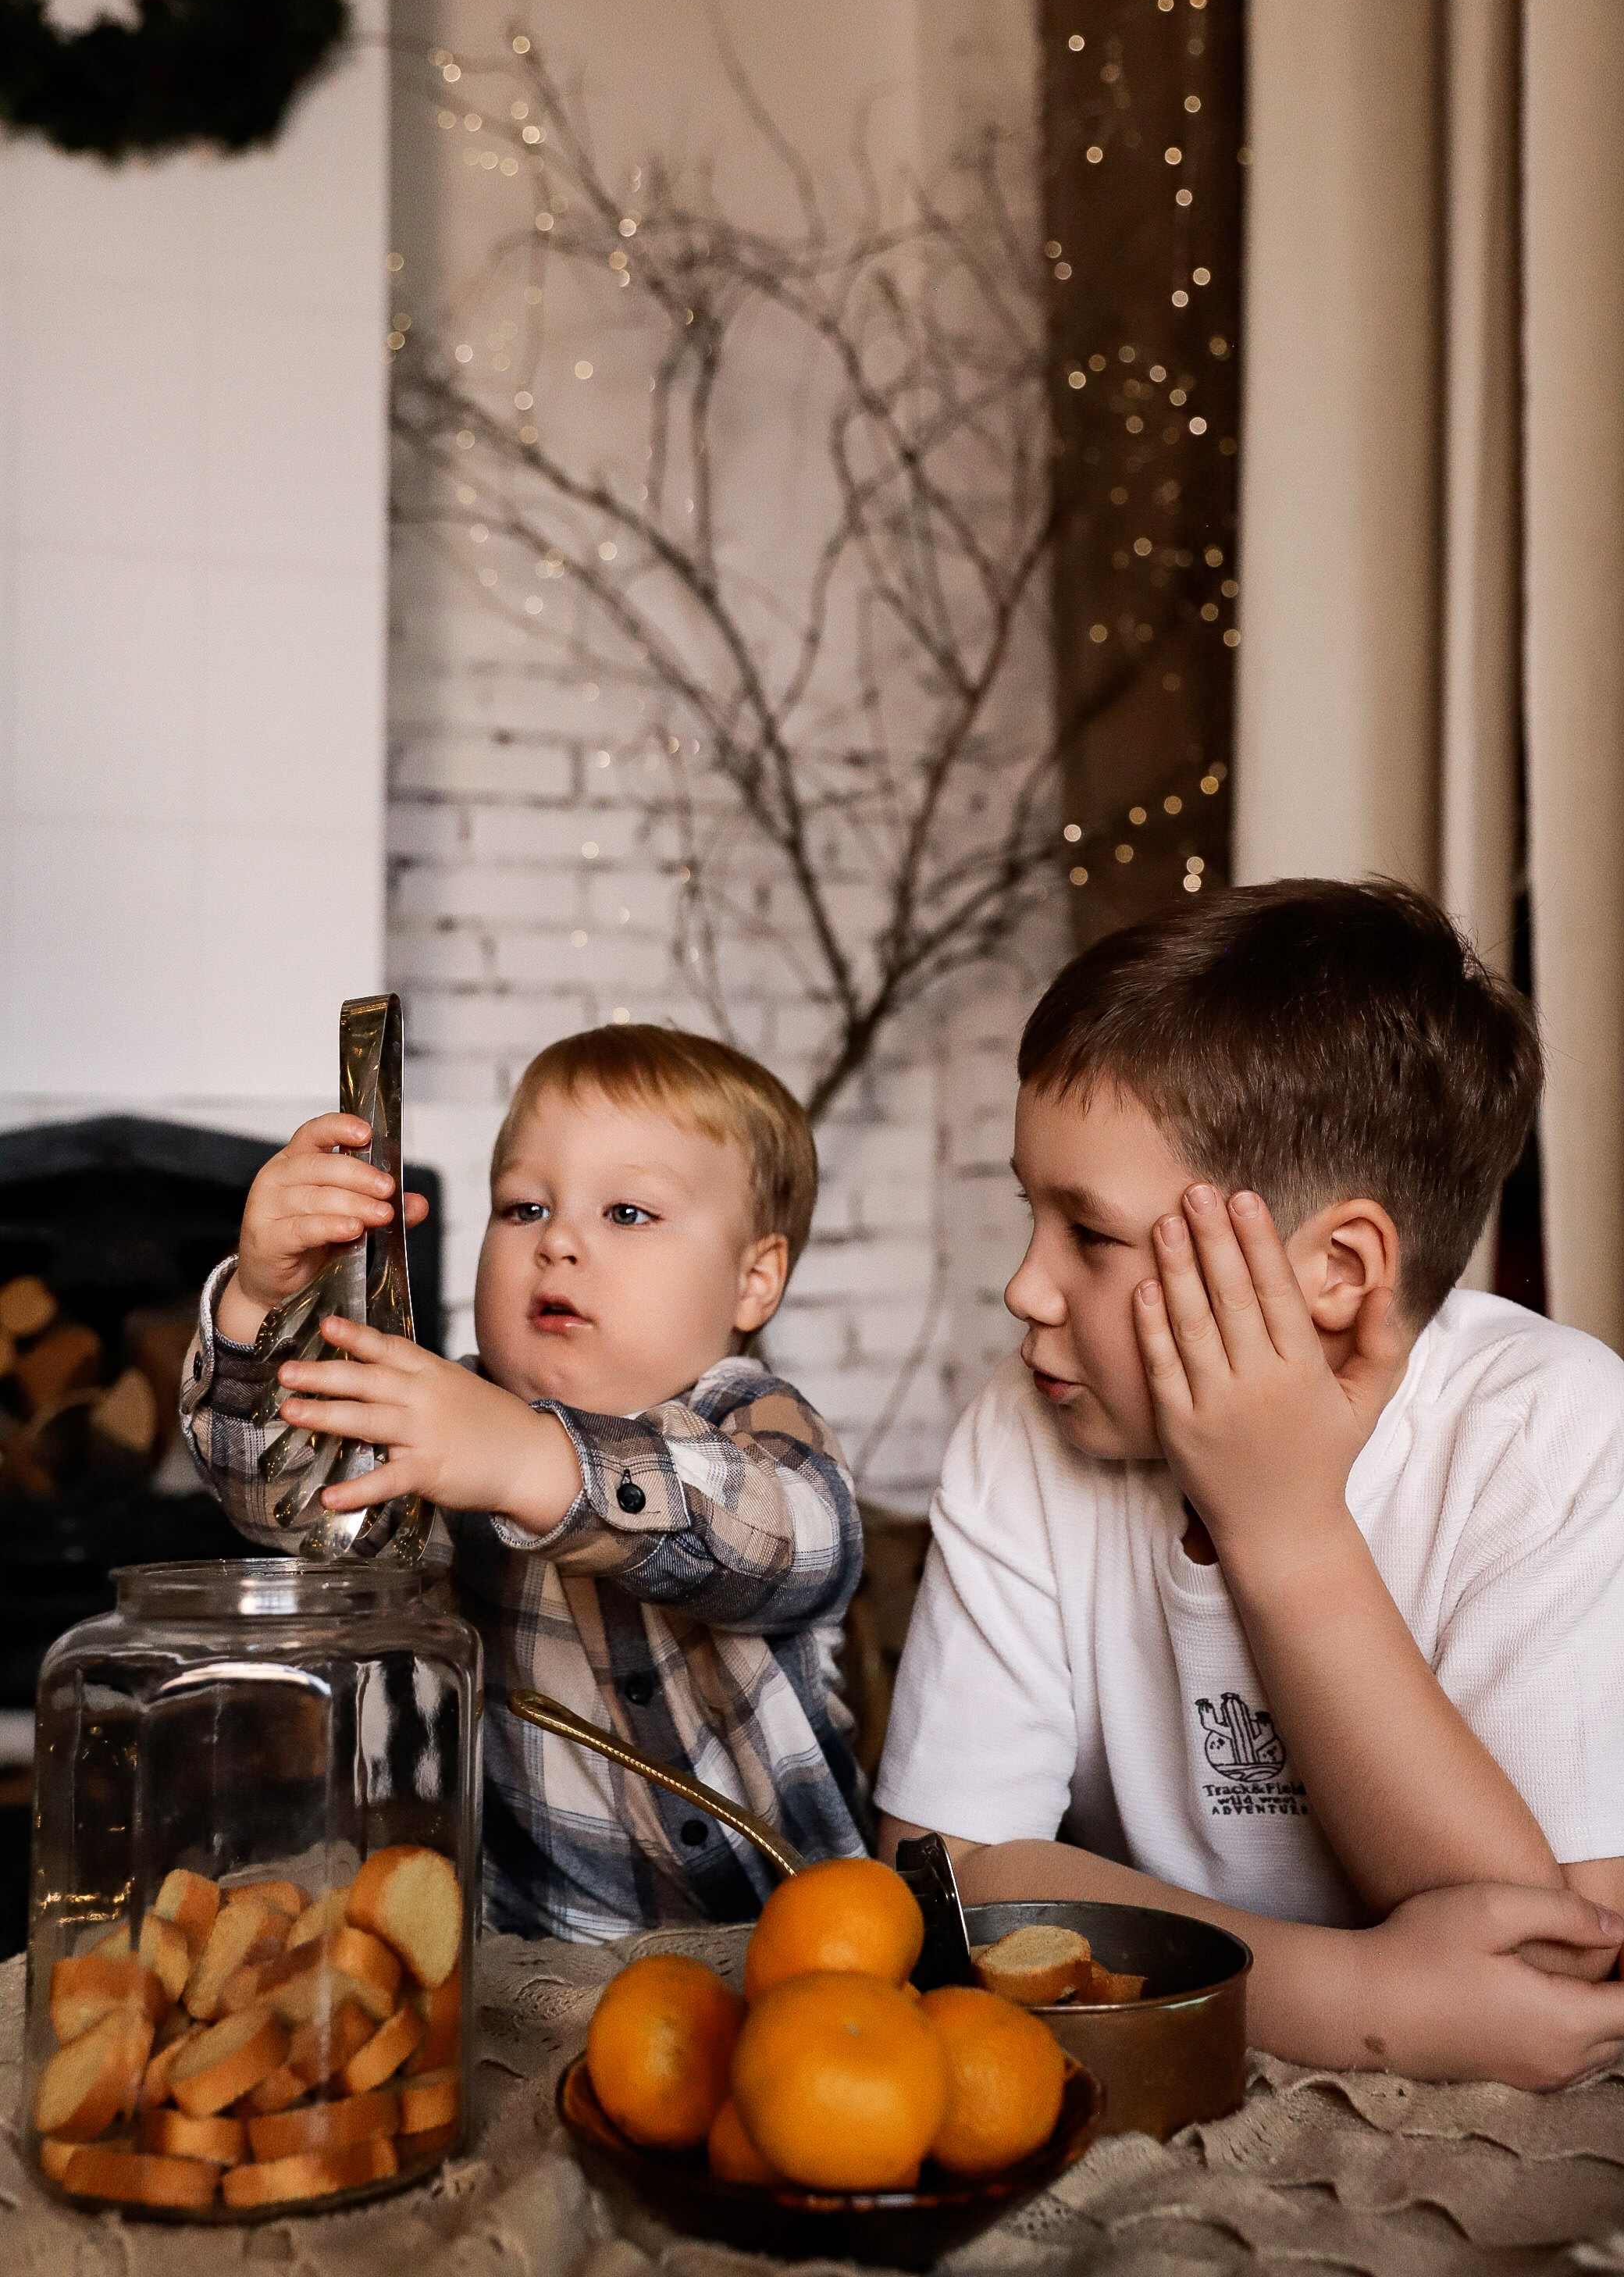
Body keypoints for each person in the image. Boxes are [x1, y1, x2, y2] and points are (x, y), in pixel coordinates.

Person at [878, 879, 1624, 2087]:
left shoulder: (1550, 1431)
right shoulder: (1024, 1425)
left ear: (1338, 1270)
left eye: (1091, 1235)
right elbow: (941, 1889)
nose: (1024, 1287)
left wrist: (1287, 1533)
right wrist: (1361, 2000)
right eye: (1030, 1212)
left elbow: (1555, 1967)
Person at [183, 1023, 867, 1941]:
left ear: (754, 1280)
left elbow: (796, 1545)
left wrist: (532, 1463)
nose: (558, 1243)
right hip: (527, 1951)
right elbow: (287, 1501)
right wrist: (263, 1310)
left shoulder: (756, 1424)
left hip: (790, 1952)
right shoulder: (448, 1424)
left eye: (627, 1213)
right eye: (524, 1208)